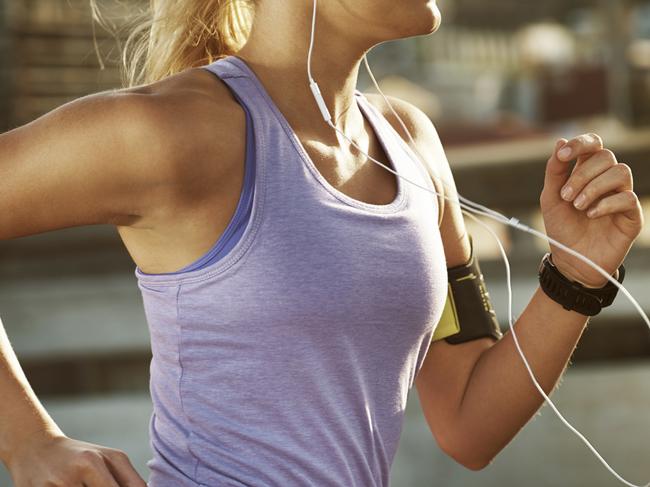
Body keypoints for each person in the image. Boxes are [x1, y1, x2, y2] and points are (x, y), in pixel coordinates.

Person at [0, 0, 643, 486]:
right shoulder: (171, 132)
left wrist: (575, 274)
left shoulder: (411, 146)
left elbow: (469, 423)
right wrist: (29, 439)